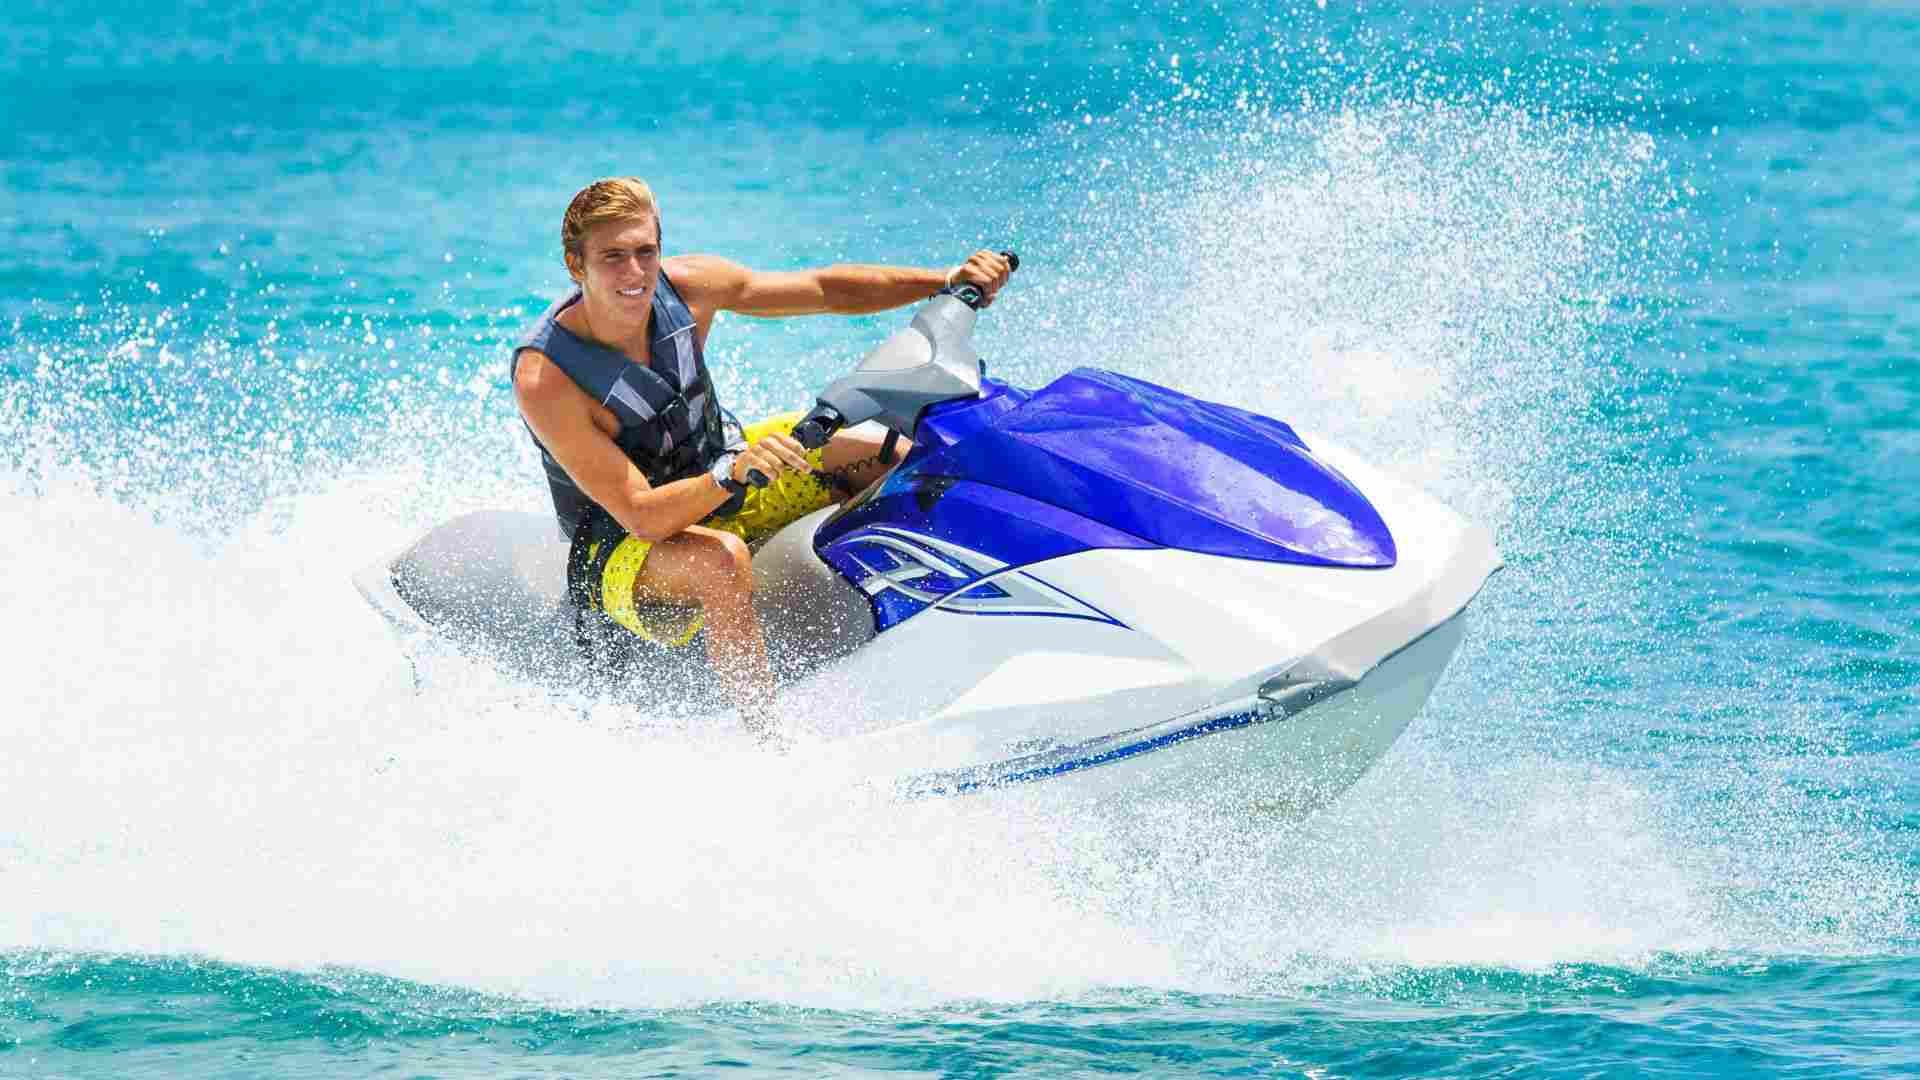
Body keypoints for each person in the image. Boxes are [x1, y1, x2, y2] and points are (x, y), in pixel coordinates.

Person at [511, 177, 1013, 736]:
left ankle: (955, 615)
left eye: (645, 251)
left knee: (893, 453)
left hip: (716, 467)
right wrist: (733, 472)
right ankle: (765, 741)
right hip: (621, 543)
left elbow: (824, 289)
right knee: (719, 560)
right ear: (575, 264)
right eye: (612, 257)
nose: (634, 273)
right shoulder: (546, 377)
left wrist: (944, 281)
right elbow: (641, 513)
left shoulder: (691, 286)